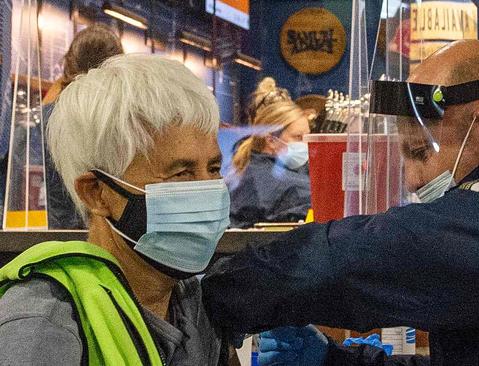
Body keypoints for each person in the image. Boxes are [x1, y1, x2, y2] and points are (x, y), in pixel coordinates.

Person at [202, 40, 479, 365]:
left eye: (420, 153)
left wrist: (219, 293)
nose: (415, 180)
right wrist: (336, 362)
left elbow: (380, 252)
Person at [0, 54, 234, 365]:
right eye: (182, 173)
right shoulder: (44, 323)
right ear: (97, 193)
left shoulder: (196, 303)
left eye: (214, 168)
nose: (208, 188)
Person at [43, 23, 124, 229]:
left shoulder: (41, 121)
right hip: (115, 241)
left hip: (54, 241)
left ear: (68, 67)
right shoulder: (129, 122)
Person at [228, 77, 311, 228]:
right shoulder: (265, 181)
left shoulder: (248, 169)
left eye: (308, 137)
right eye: (298, 137)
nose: (306, 145)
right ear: (271, 140)